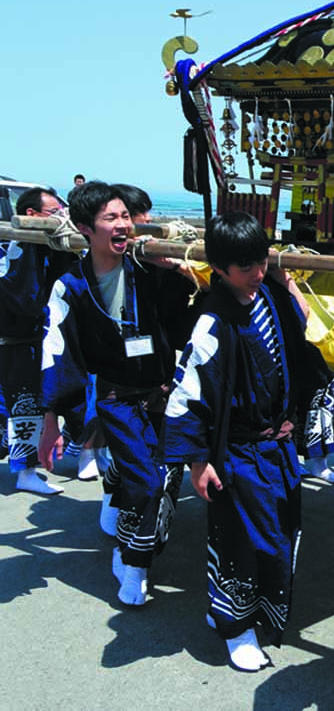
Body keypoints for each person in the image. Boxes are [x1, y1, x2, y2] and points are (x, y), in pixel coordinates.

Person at [163, 211, 321, 671]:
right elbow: (189, 393)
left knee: (279, 536)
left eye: (260, 260)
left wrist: (281, 275)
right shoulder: (213, 321)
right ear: (220, 271)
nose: (256, 272)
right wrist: (197, 461)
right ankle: (236, 628)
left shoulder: (269, 292)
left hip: (277, 446)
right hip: (237, 453)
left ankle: (250, 616)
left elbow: (304, 323)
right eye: (245, 267)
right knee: (238, 541)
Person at [37, 181, 195, 606]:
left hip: (163, 393)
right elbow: (57, 353)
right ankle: (133, 561)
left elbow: (187, 317)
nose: (123, 224)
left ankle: (128, 529)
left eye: (126, 216)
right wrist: (50, 421)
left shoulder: (146, 271)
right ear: (86, 228)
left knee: (165, 479)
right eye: (111, 218)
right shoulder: (69, 286)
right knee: (146, 481)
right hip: (115, 399)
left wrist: (181, 272)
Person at [0, 187, 74, 493]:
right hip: (15, 343)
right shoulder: (16, 248)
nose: (60, 217)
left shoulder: (39, 246)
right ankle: (26, 472)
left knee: (23, 405)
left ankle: (27, 469)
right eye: (53, 212)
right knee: (24, 406)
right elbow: (26, 299)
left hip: (26, 340)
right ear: (31, 215)